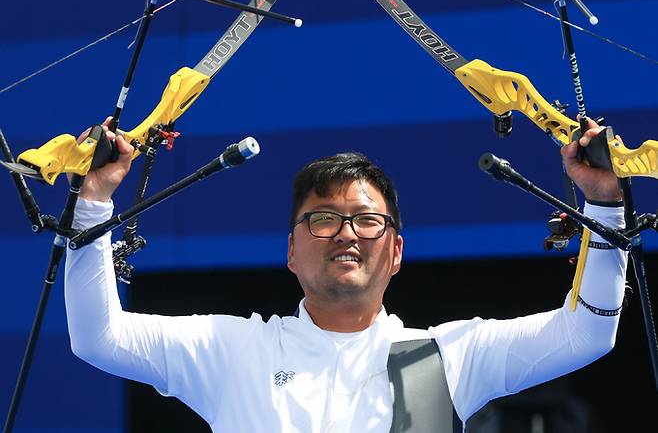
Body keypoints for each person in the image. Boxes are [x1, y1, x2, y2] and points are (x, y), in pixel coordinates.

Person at [65, 116, 627, 432]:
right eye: (324, 219)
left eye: (366, 220)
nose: (346, 233)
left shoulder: (441, 355)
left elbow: (588, 334)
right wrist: (92, 204)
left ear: (397, 250)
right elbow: (99, 337)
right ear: (290, 250)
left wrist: (604, 207)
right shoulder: (233, 349)